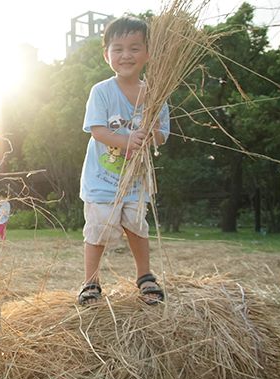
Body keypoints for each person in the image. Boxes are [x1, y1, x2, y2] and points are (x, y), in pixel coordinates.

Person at [77, 16, 169, 306]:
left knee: (136, 225)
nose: (126, 55)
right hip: (102, 179)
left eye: (134, 48)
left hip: (135, 180)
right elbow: (97, 130)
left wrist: (151, 131)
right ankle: (91, 282)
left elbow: (162, 136)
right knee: (98, 228)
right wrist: (127, 140)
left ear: (147, 53)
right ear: (107, 55)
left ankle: (145, 276)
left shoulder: (155, 94)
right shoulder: (101, 91)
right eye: (118, 49)